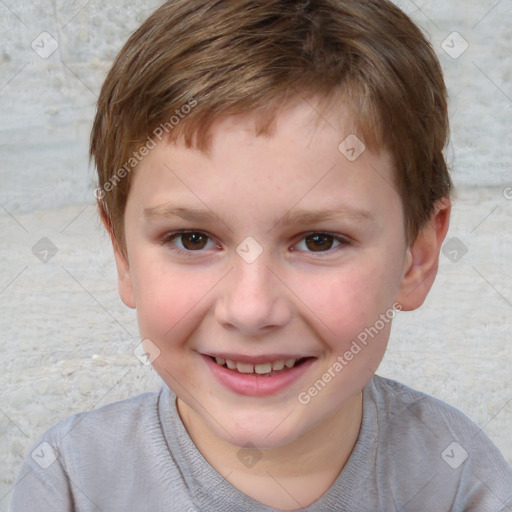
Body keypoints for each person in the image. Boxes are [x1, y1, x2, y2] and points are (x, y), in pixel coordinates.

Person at [9, 0, 512, 510]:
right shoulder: (71, 482)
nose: (250, 310)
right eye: (192, 239)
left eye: (319, 240)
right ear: (122, 255)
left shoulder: (459, 478)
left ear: (416, 258)